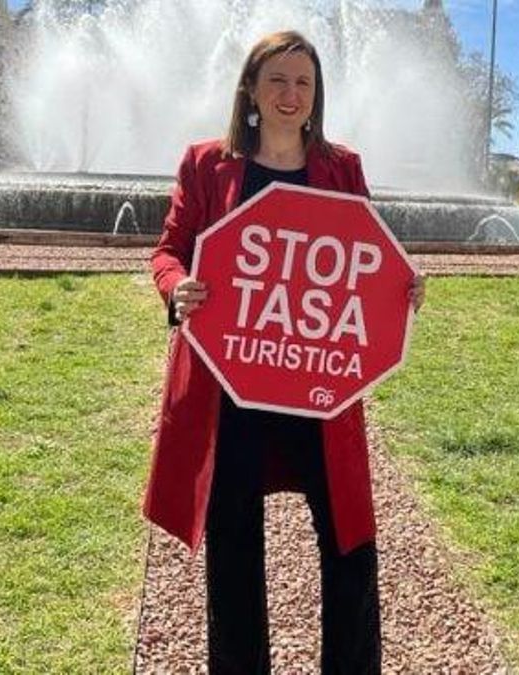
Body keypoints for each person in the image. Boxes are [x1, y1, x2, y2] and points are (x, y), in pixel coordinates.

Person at [145, 31, 425, 674]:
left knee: (349, 543)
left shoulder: (342, 167)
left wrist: (402, 285)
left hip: (318, 389)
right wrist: (175, 287)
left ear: (317, 93)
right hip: (228, 385)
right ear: (250, 88)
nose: (291, 94)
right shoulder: (205, 164)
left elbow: (365, 255)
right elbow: (168, 250)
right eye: (277, 80)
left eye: (304, 82)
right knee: (233, 543)